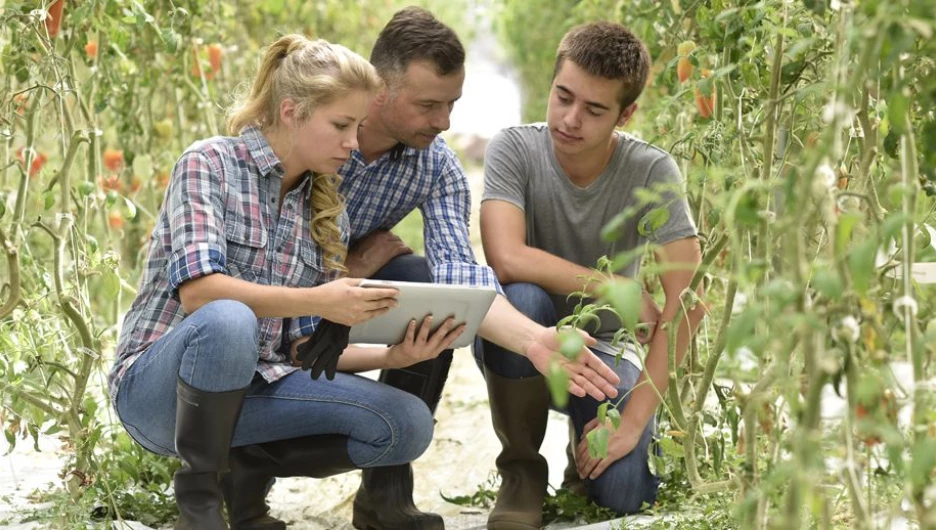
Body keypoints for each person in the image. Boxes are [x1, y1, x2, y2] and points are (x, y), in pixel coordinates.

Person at [222, 8, 624, 530]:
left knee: (426, 286)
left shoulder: (435, 165)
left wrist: (532, 340)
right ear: (380, 91)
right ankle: (237, 479)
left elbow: (460, 272)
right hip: (259, 306)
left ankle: (385, 497)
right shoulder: (301, 131)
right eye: (429, 105)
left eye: (452, 104)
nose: (444, 122)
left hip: (329, 302)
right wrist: (343, 269)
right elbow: (248, 252)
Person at [108, 35, 467, 530]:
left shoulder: (325, 213)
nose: (353, 143)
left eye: (358, 127)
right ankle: (201, 508)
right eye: (341, 125)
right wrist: (321, 299)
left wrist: (394, 357)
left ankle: (247, 465)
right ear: (292, 111)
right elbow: (199, 293)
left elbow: (301, 351)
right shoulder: (208, 164)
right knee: (228, 317)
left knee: (406, 424)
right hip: (162, 396)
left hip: (254, 394)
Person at [475, 21, 705, 527]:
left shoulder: (651, 171)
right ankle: (522, 471)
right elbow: (506, 257)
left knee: (626, 494)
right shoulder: (515, 149)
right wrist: (615, 287)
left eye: (594, 109)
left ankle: (583, 456)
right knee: (522, 293)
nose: (570, 119)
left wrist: (638, 414)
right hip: (524, 340)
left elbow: (687, 303)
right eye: (563, 97)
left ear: (626, 114)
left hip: (603, 351)